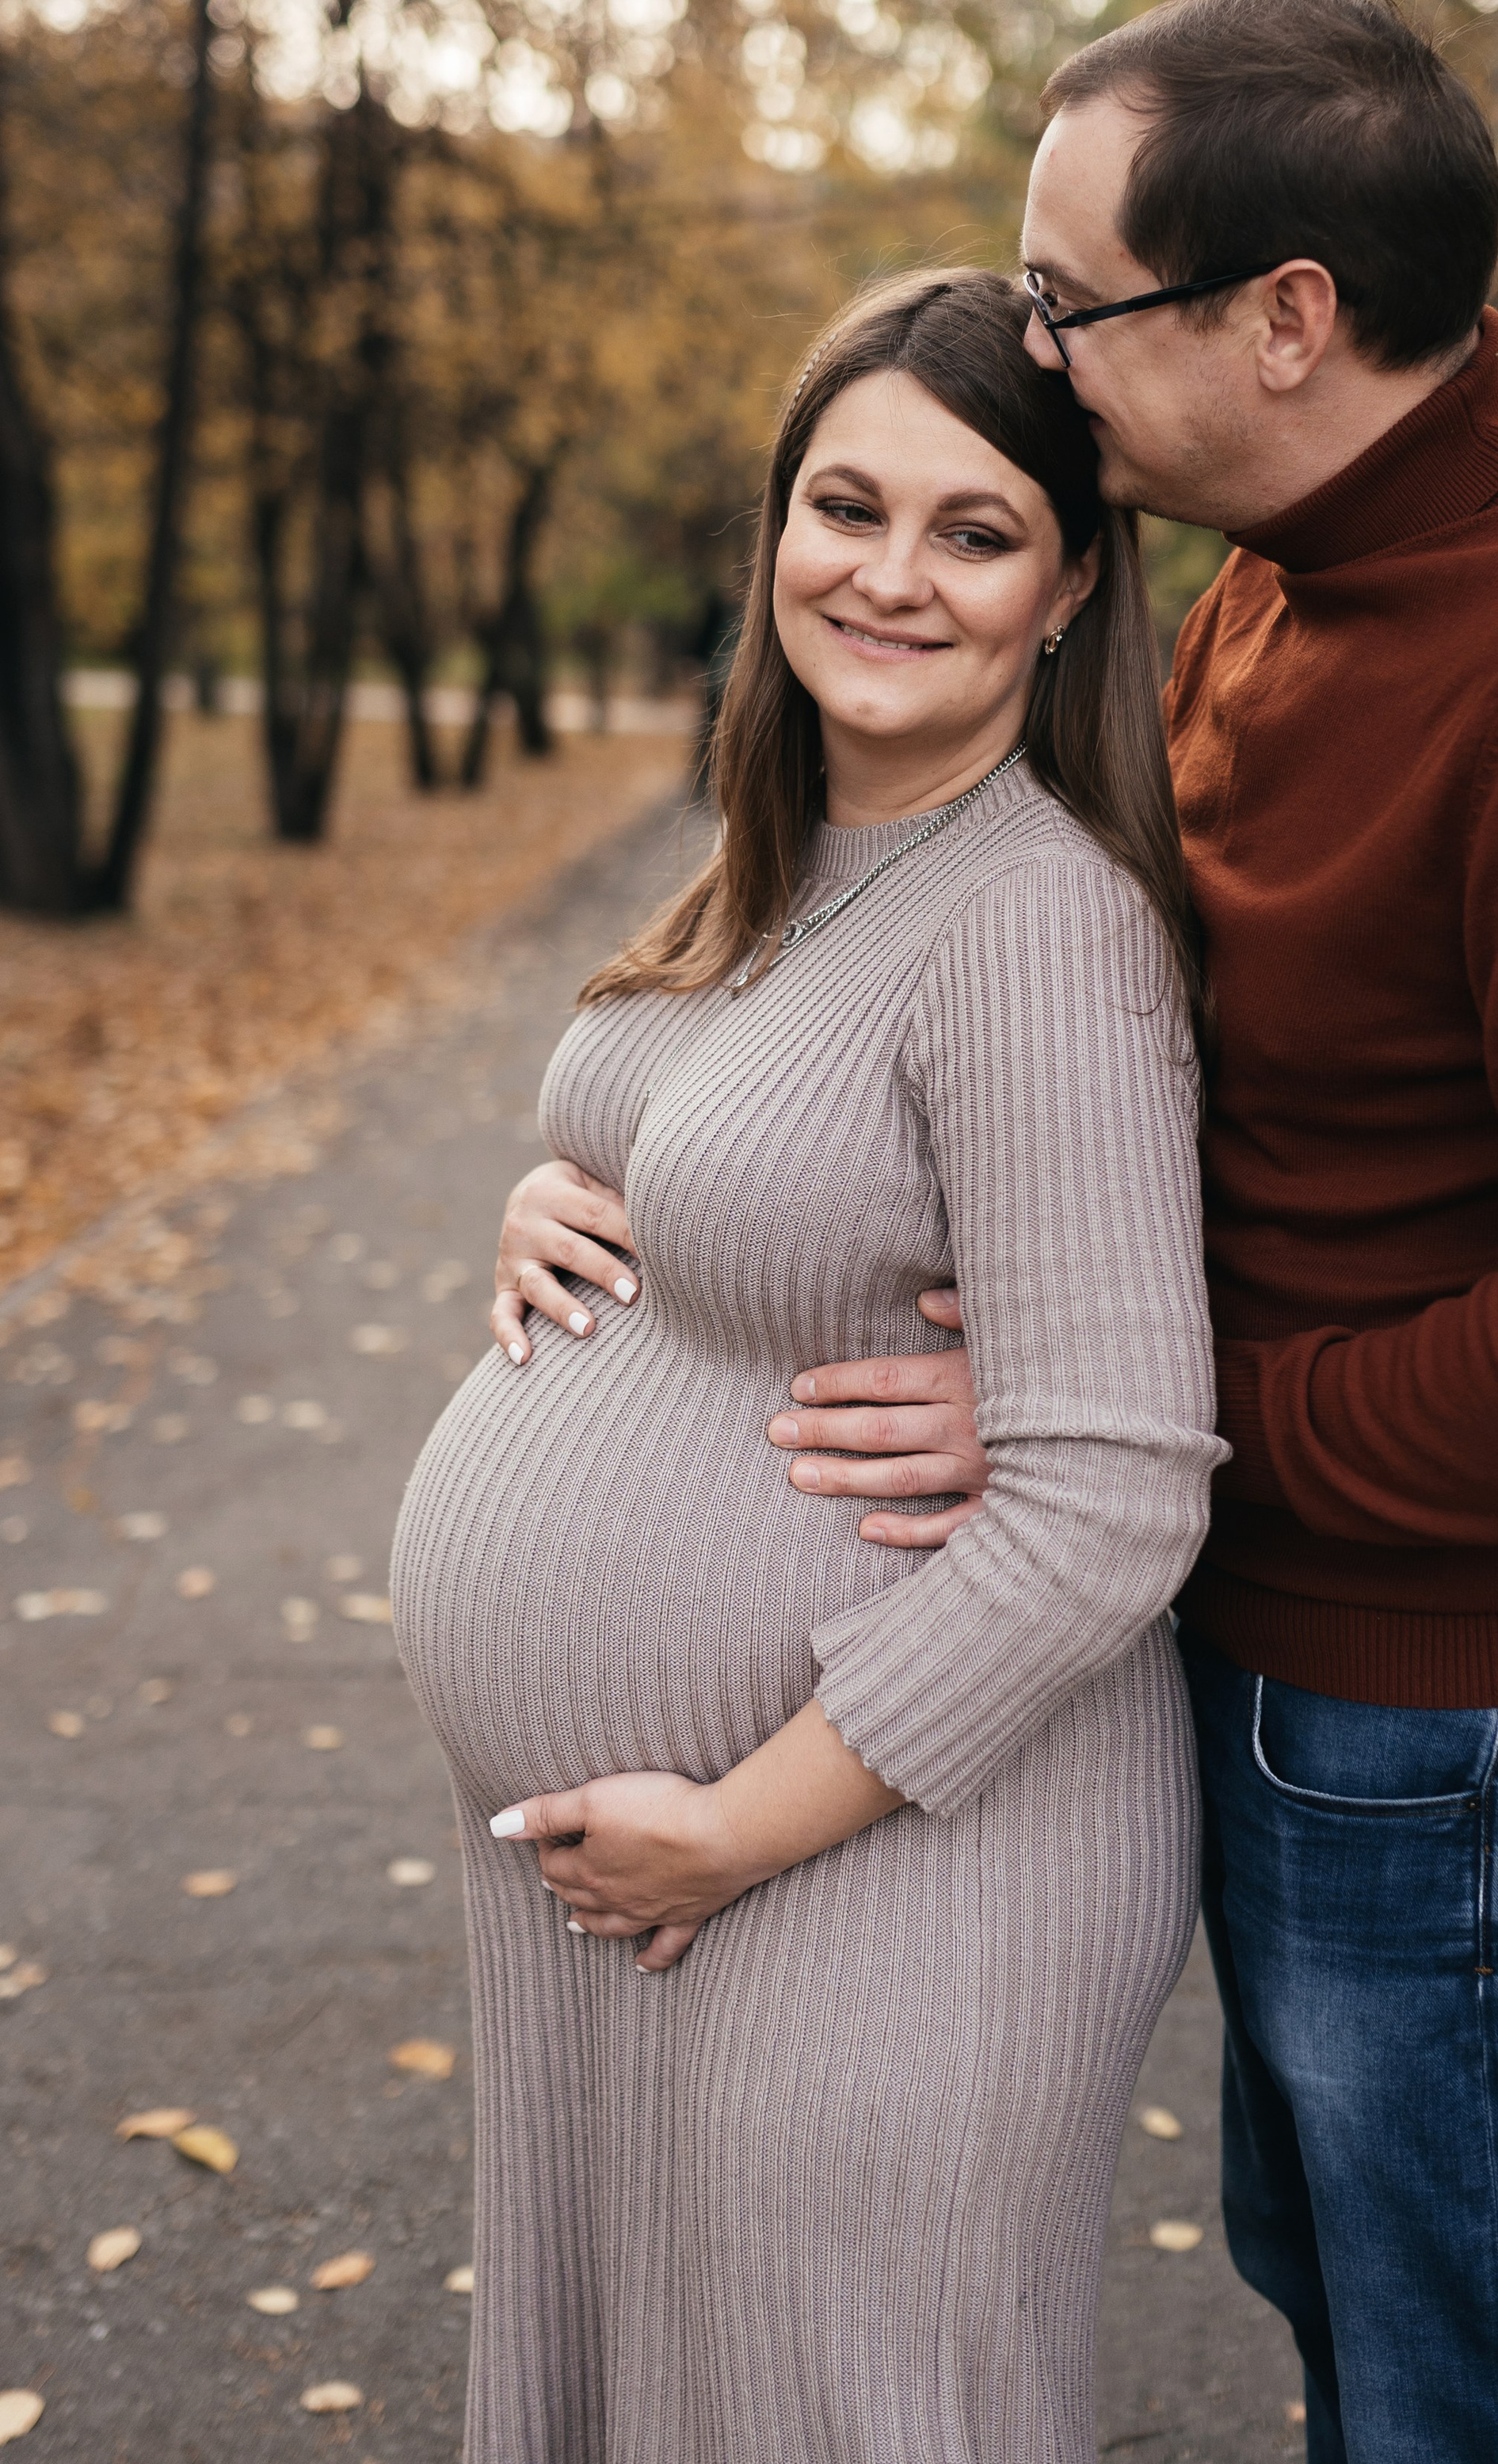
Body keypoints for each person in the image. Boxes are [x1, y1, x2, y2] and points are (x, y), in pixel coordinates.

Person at [485, 0, 1498, 2462]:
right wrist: (660, 1167)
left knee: (1486, 2395)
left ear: (1284, 321)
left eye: (1064, 299)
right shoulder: (1269, 595)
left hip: (1482, 1718)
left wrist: (1132, 1418)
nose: (1033, 347)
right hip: (1287, 1672)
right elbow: (1122, 1102)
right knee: (1368, 2333)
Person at [391, 268, 1226, 2464]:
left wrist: (731, 1831)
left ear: (1067, 593)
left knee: (821, 2414)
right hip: (654, 1876)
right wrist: (558, 1197)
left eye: (975, 531)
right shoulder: (796, 858)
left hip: (871, 1863)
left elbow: (1112, 1498)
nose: (890, 571)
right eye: (845, 504)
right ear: (775, 531)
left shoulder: (1040, 919)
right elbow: (764, 1170)